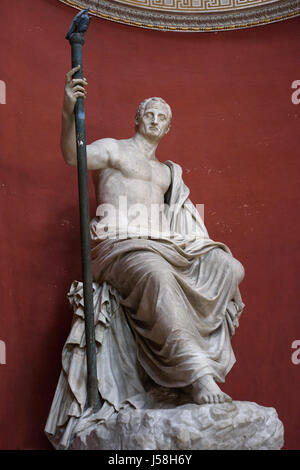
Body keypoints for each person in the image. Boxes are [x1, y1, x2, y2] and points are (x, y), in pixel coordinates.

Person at [60, 65, 245, 406]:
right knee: (157, 274)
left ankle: (180, 371)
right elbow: (74, 154)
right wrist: (69, 111)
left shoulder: (167, 174)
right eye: (149, 113)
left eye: (162, 116)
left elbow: (181, 220)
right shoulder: (114, 150)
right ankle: (198, 375)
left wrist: (193, 247)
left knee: (228, 267)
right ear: (138, 119)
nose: (155, 120)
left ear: (169, 127)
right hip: (120, 246)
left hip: (162, 246)